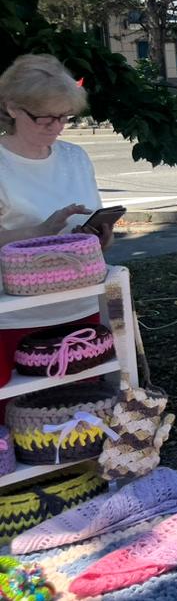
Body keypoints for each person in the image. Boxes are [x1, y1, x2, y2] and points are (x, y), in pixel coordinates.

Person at [0, 54, 111, 382]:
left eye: (64, 117)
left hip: (81, 307)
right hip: (16, 317)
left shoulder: (75, 158)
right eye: (45, 118)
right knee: (25, 424)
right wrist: (41, 231)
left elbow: (99, 230)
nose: (57, 127)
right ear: (12, 109)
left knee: (83, 420)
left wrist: (100, 237)